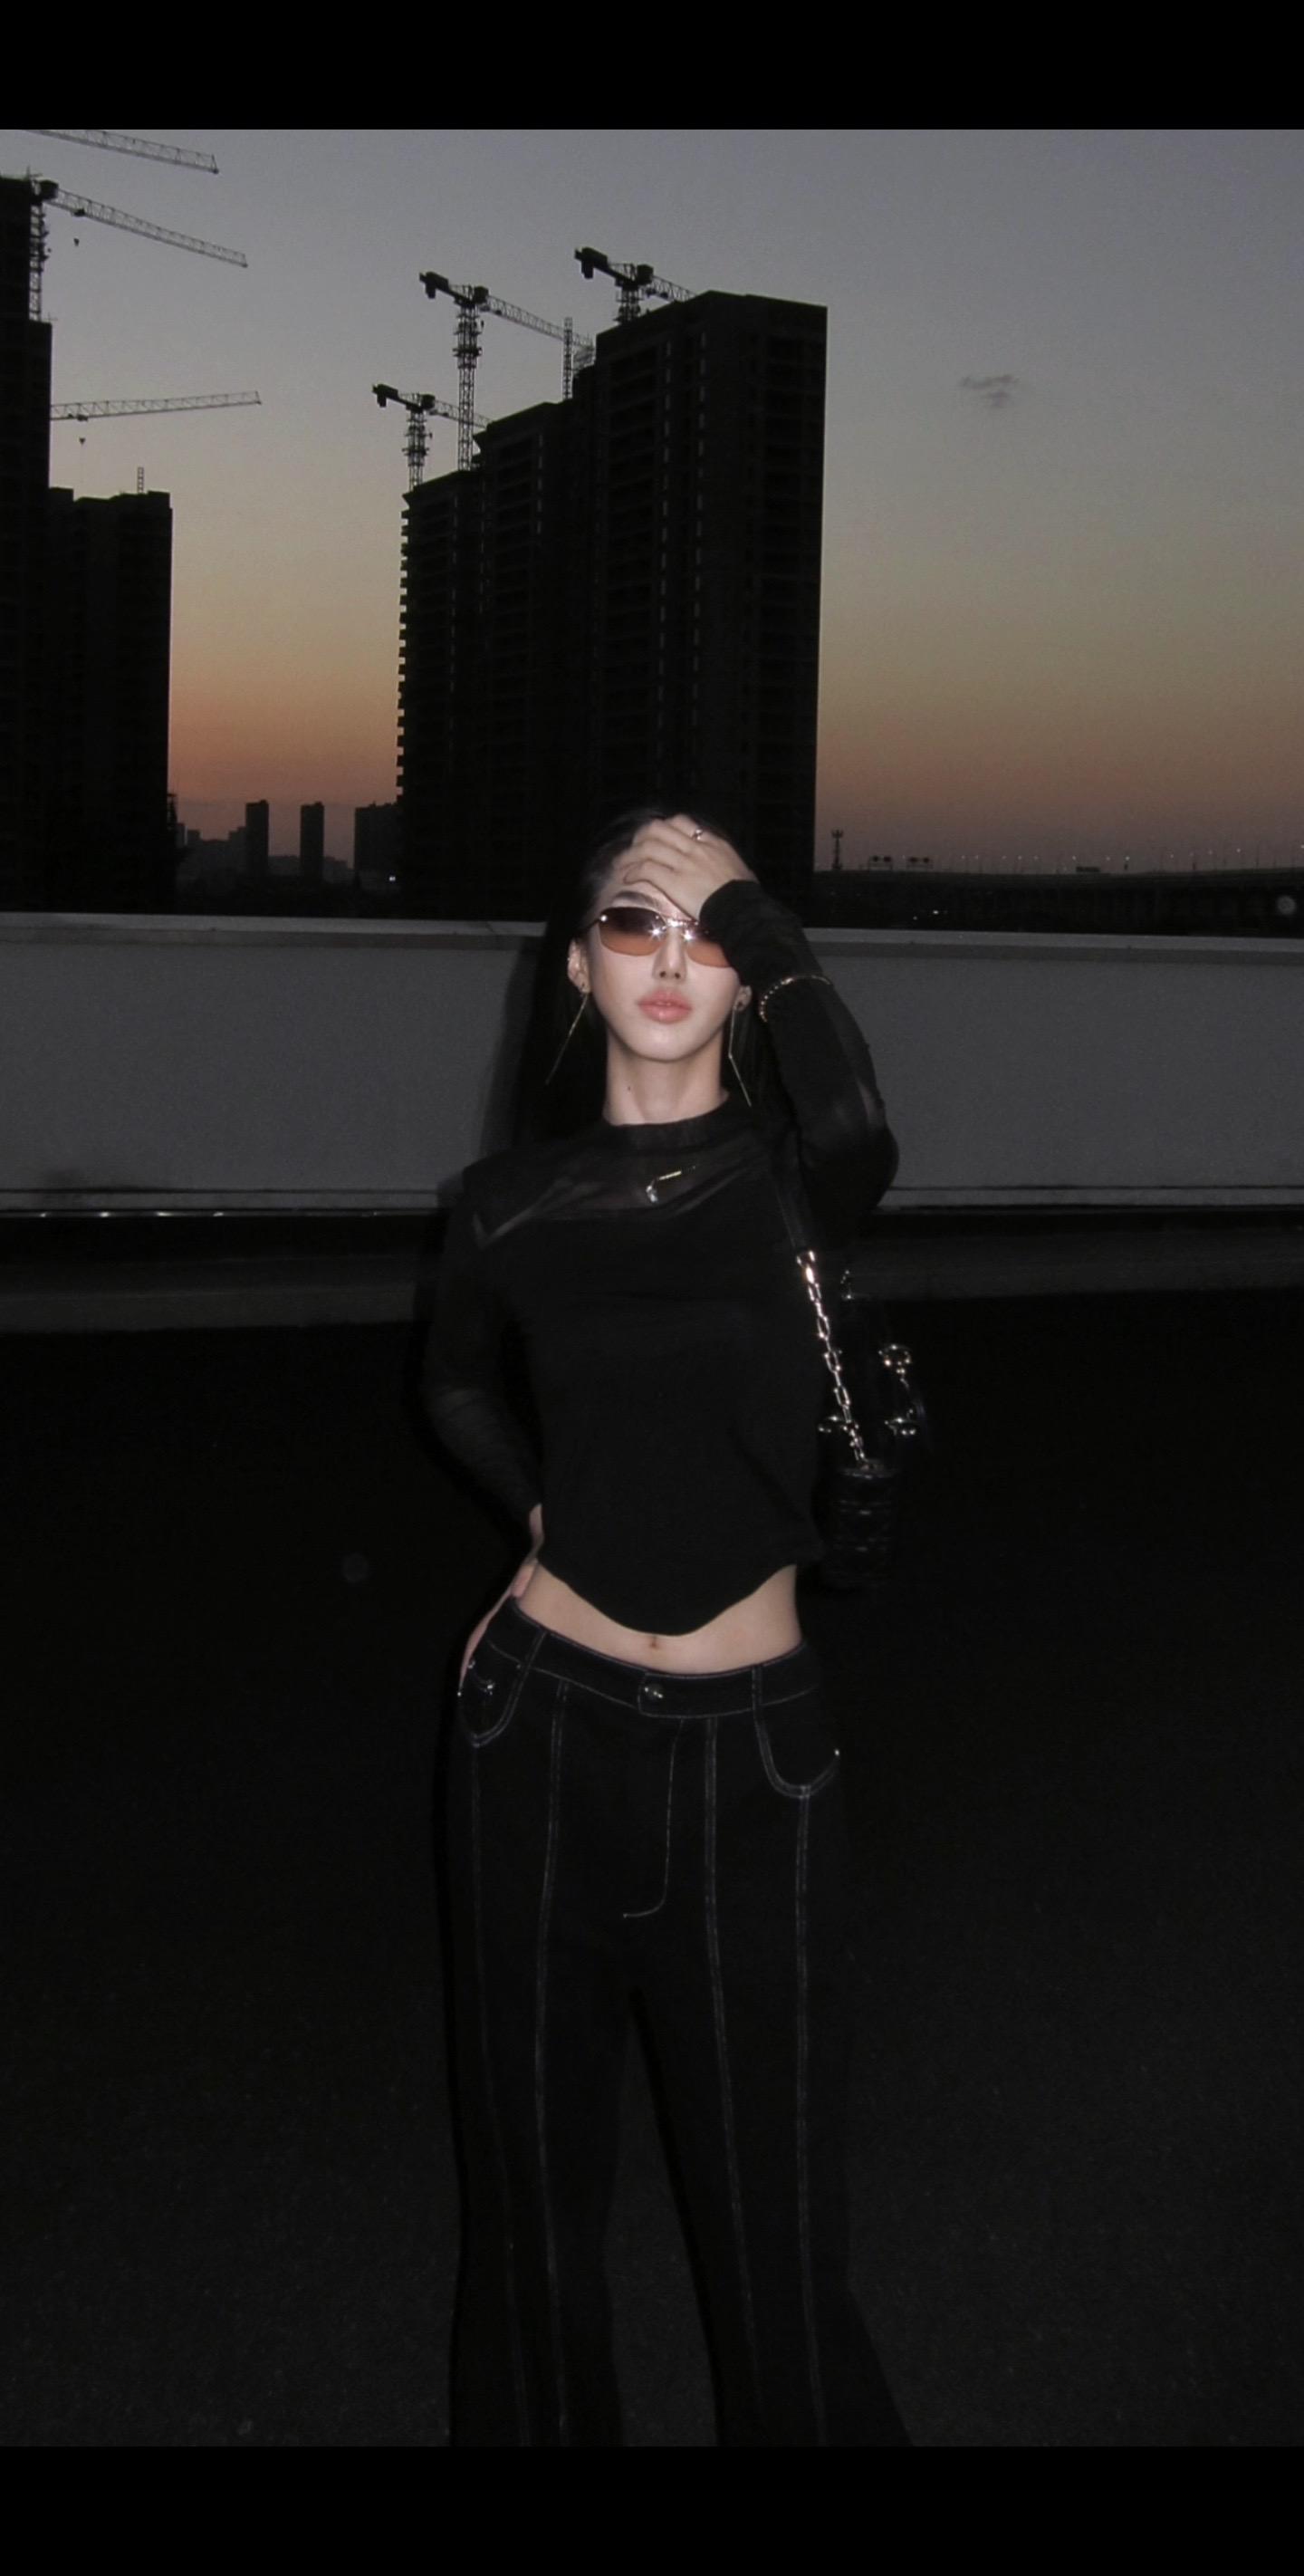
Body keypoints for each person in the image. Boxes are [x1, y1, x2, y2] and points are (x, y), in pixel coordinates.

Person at [422, 809, 911, 2447]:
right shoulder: (504, 1205)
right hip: (534, 1733)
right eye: (636, 923)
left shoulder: (797, 1183)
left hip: (749, 1762)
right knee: (531, 2218)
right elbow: (455, 1386)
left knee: (777, 2241)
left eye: (708, 935)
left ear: (749, 974)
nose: (672, 959)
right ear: (578, 965)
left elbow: (854, 1111)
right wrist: (539, 1523)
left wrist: (757, 913)